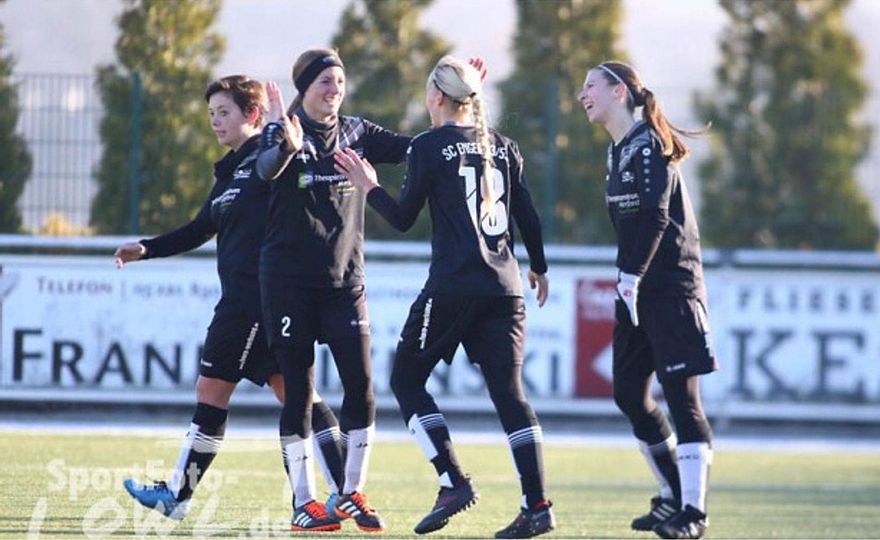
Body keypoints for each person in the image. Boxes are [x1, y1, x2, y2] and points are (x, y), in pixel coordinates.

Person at [335, 55, 554, 540]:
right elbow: (529, 215)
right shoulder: (503, 145)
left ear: (436, 96)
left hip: (455, 285)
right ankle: (536, 505)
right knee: (510, 395)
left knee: (406, 378)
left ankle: (453, 480)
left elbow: (403, 217)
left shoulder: (429, 146)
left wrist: (368, 187)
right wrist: (537, 266)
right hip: (506, 288)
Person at [255, 47, 414, 533]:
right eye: (325, 82)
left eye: (340, 82)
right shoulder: (281, 130)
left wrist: (461, 115)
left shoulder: (358, 132)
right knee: (299, 396)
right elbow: (265, 169)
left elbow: (416, 148)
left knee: (362, 388)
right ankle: (304, 503)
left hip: (345, 283)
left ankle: (350, 493)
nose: (335, 90)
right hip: (288, 285)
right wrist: (287, 144)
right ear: (304, 88)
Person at [117, 75, 284, 520]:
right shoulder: (229, 172)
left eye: (224, 112)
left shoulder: (266, 162)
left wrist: (280, 126)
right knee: (295, 395)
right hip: (251, 302)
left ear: (252, 114)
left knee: (211, 391)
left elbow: (290, 156)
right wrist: (147, 248)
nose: (215, 121)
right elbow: (199, 228)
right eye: (211, 114)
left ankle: (177, 495)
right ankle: (346, 490)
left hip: (250, 301)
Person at [577, 61, 718, 540]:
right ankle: (672, 498)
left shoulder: (650, 145)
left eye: (590, 86)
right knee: (628, 393)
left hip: (670, 290)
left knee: (683, 400)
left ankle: (693, 515)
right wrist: (628, 280)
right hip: (634, 288)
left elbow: (658, 217)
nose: (582, 96)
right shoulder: (618, 151)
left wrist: (631, 277)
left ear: (619, 92)